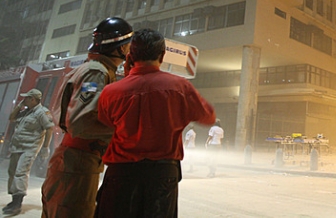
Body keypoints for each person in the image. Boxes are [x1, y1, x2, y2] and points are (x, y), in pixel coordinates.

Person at [95, 28, 216, 218]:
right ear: (162, 55)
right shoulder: (180, 87)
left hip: (121, 174)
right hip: (162, 175)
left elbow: (105, 121)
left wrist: (128, 78)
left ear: (131, 56)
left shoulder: (111, 92)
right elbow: (208, 116)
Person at [41, 17, 133, 218]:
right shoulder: (96, 73)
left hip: (76, 161)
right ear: (119, 47)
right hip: (78, 163)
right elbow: (80, 122)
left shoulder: (94, 69)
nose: (129, 50)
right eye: (128, 46)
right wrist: (122, 131)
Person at [4, 88, 54, 216]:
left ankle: (17, 204)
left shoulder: (42, 112)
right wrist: (19, 106)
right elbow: (11, 118)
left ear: (32, 99)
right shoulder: (26, 112)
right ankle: (14, 200)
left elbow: (49, 128)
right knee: (12, 172)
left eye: (26, 98)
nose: (24, 99)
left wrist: (45, 147)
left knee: (20, 173)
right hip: (17, 147)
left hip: (29, 148)